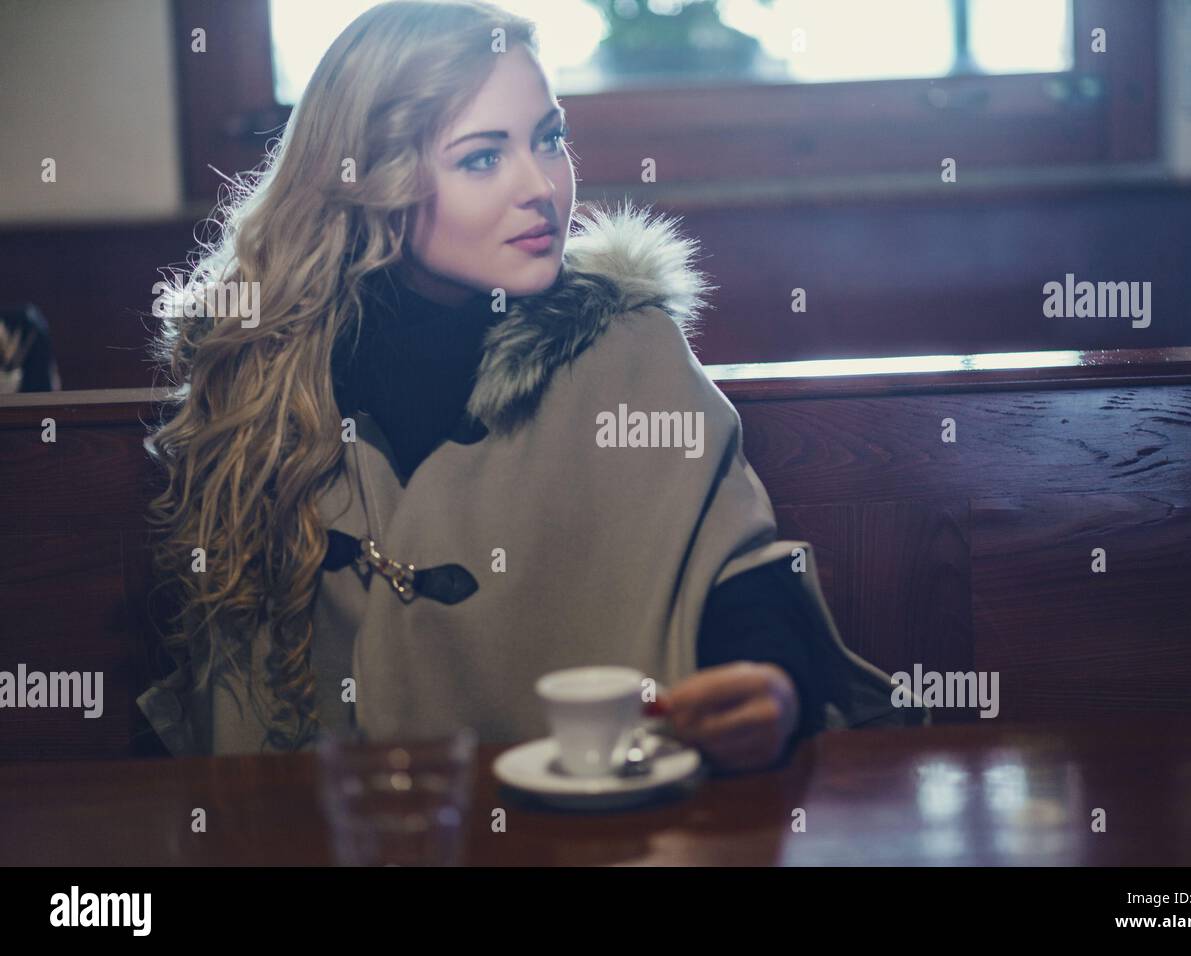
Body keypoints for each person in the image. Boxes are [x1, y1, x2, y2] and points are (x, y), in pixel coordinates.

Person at [138, 0, 924, 774]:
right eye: (483, 157)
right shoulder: (263, 379)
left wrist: (770, 686)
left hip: (591, 835)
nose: (541, 187)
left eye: (549, 140)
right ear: (372, 181)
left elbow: (735, 570)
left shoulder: (627, 348)